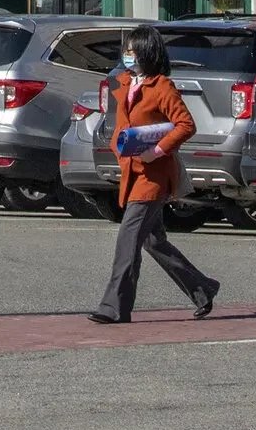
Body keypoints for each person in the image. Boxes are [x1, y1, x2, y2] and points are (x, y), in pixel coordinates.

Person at [90, 25, 220, 325]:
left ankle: (114, 307)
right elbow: (121, 124)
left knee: (128, 239)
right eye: (126, 50)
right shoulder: (124, 83)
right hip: (131, 171)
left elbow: (186, 125)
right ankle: (202, 288)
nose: (128, 56)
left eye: (134, 51)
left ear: (148, 53)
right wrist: (119, 144)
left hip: (153, 177)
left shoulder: (162, 87)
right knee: (153, 241)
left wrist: (156, 150)